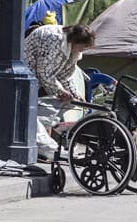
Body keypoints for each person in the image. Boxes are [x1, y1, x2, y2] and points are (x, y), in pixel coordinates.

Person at [24, 24, 96, 156]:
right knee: (30, 115)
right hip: (26, 77)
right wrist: (61, 91)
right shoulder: (53, 39)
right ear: (75, 42)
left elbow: (65, 74)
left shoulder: (71, 51)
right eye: (82, 47)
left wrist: (75, 93)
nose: (82, 51)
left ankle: (53, 136)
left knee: (68, 102)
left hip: (39, 80)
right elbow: (44, 71)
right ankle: (48, 149)